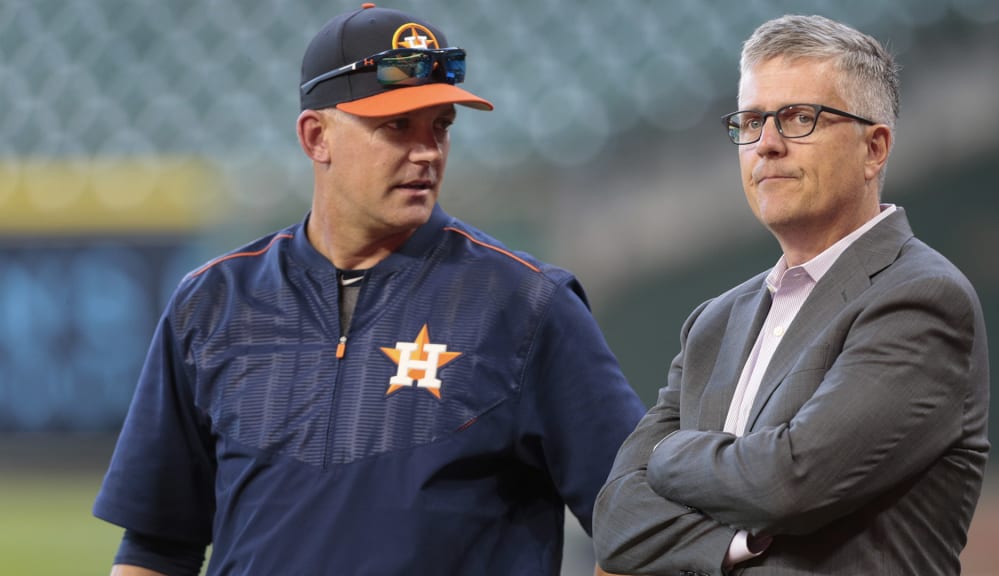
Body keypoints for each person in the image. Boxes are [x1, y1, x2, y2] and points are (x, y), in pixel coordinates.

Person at [93, 4, 646, 575]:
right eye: (395, 127)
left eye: (440, 127)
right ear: (316, 137)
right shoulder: (212, 303)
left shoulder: (527, 303)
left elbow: (642, 530)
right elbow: (156, 548)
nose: (427, 151)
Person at [593, 14, 989, 576]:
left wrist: (665, 456)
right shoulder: (714, 321)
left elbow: (786, 482)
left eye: (800, 118)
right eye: (751, 121)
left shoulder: (921, 298)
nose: (767, 144)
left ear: (874, 148)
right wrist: (737, 542)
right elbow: (613, 524)